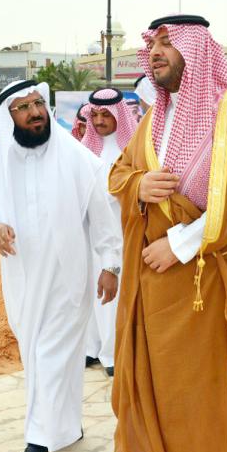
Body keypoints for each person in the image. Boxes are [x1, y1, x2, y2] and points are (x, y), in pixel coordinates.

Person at [59, 15, 227, 452]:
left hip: (199, 281)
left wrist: (178, 245)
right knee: (139, 388)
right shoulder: (158, 116)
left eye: (166, 43)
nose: (155, 52)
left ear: (196, 52)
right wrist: (140, 185)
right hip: (150, 281)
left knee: (191, 396)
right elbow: (117, 175)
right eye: (151, 44)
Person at [0, 79, 122, 452]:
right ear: (9, 118)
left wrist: (111, 265)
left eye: (38, 103)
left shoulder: (75, 157)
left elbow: (103, 216)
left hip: (70, 279)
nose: (35, 112)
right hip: (21, 281)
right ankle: (66, 427)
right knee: (41, 354)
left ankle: (36, 444)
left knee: (50, 354)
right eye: (24, 107)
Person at [79, 87, 138, 376]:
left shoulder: (131, 149)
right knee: (88, 290)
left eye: (106, 115)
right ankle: (91, 348)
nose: (100, 121)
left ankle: (112, 353)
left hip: (119, 233)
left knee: (112, 293)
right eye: (96, 115)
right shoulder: (84, 149)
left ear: (119, 115)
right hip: (88, 234)